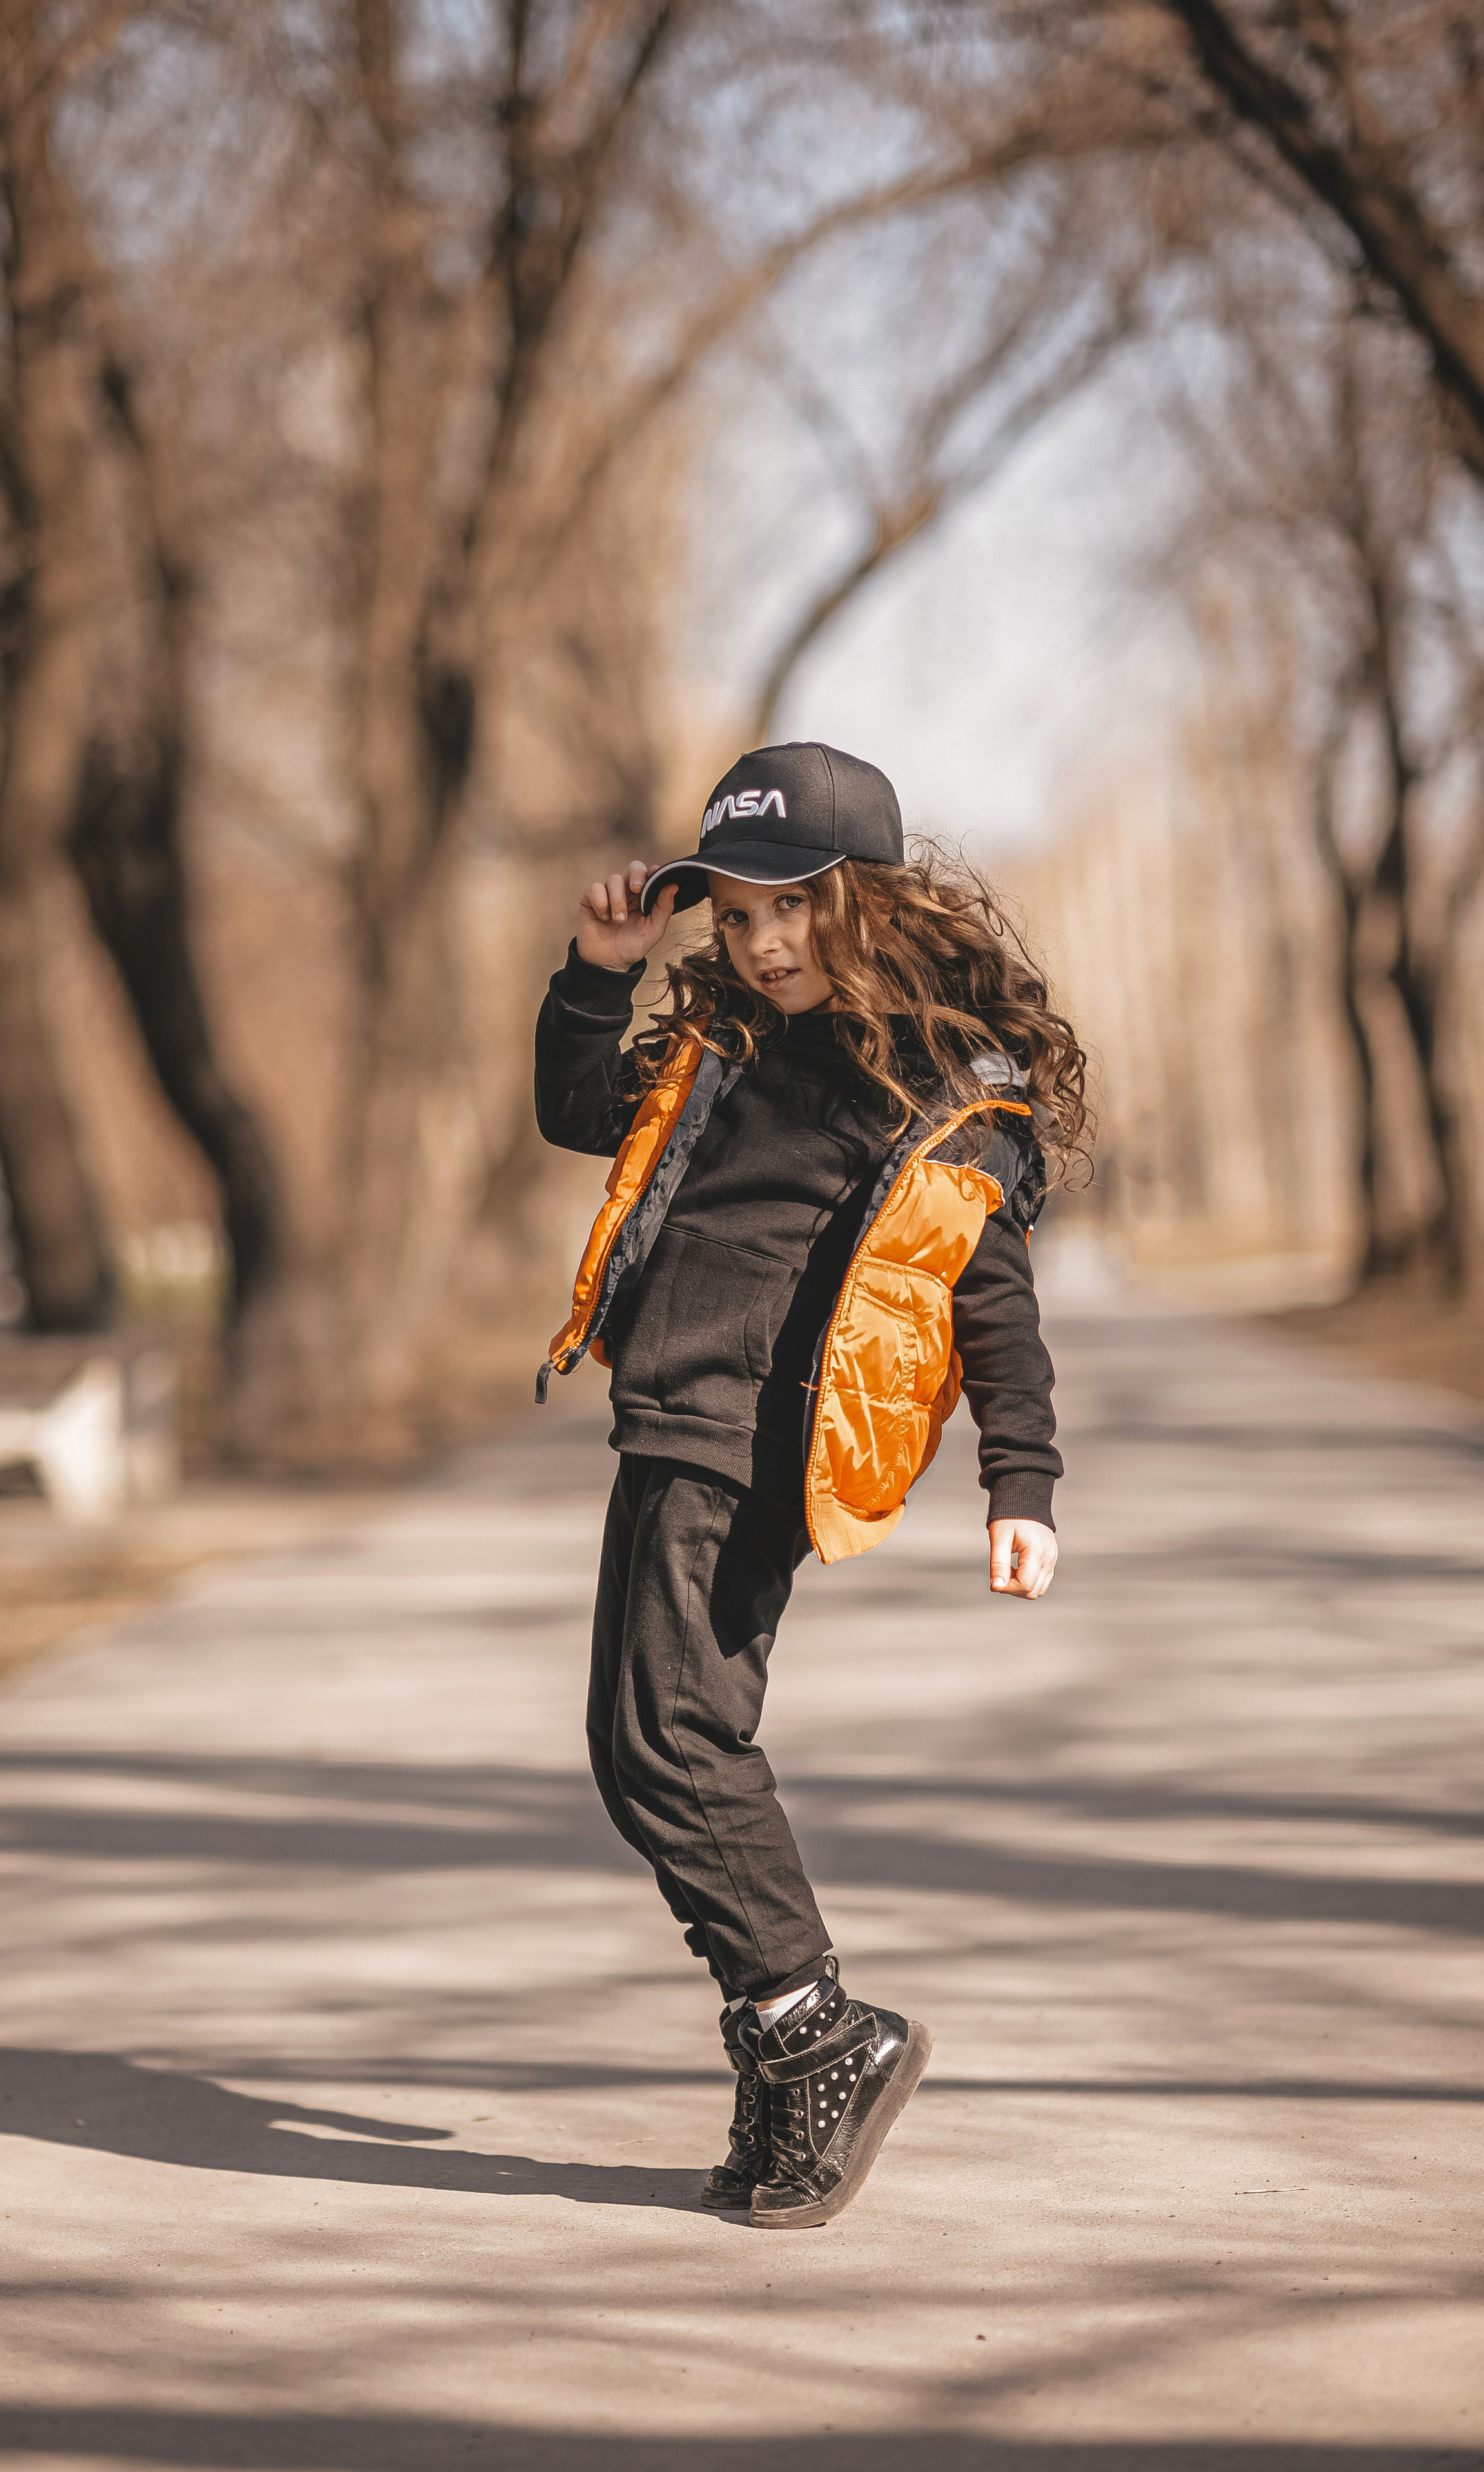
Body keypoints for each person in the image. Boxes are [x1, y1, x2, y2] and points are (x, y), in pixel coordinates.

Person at [533, 741, 1087, 2231]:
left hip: (756, 1445)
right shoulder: (721, 1034)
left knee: (677, 1740)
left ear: (868, 901)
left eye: (795, 909)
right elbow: (579, 1113)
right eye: (736, 912)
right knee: (633, 1742)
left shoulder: (927, 1079)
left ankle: (814, 2031)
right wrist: (599, 972)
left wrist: (1017, 1481)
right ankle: (791, 2057)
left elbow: (992, 1302)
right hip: (666, 1420)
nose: (763, 941)